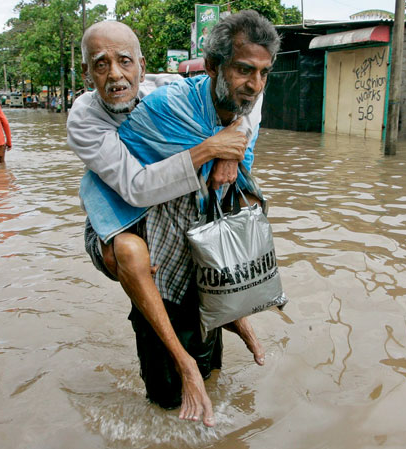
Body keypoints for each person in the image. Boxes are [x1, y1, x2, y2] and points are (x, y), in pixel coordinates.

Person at [72, 12, 278, 427]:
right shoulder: (94, 117)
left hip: (184, 213)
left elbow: (247, 111)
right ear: (87, 72)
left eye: (125, 61)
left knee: (226, 239)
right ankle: (183, 366)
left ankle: (232, 320)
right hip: (121, 211)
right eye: (101, 64)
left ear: (142, 66)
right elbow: (136, 188)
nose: (115, 75)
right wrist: (211, 149)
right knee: (131, 256)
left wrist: (228, 151)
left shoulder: (170, 90)